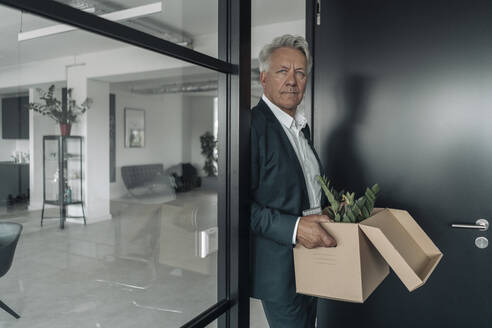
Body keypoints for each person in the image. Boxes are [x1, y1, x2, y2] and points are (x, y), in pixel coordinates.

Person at [250, 34, 337, 328]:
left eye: (300, 72)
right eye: (282, 71)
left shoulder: (301, 128)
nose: (292, 80)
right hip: (279, 271)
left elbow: (303, 190)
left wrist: (329, 209)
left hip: (313, 259)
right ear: (263, 78)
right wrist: (297, 228)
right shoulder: (250, 126)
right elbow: (238, 207)